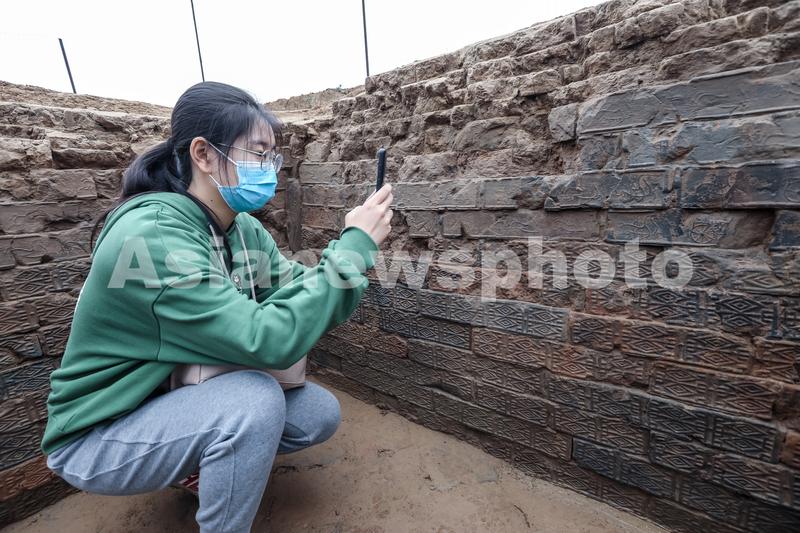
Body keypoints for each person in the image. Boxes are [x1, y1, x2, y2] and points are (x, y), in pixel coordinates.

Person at [40, 81, 393, 533]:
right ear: (203, 154)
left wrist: (351, 252)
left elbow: (297, 289)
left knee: (316, 414)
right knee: (253, 400)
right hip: (102, 431)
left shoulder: (242, 228)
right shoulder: (152, 236)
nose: (270, 169)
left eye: (273, 157)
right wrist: (351, 250)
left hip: (169, 396)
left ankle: (197, 459)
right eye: (258, 153)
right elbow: (267, 339)